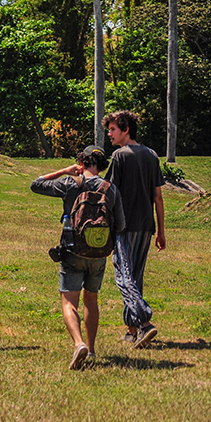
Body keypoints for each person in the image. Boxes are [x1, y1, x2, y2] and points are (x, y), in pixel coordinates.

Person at [30, 146, 126, 369]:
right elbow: (121, 224)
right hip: (99, 253)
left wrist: (65, 171)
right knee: (91, 300)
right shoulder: (110, 189)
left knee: (69, 301)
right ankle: (91, 350)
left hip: (72, 250)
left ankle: (79, 343)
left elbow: (36, 184)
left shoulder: (70, 183)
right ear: (101, 165)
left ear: (81, 163)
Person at [104, 110, 166, 349]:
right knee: (135, 277)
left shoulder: (119, 156)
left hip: (124, 226)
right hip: (146, 226)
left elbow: (110, 193)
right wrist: (161, 231)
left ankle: (145, 321)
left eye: (113, 129)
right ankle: (133, 331)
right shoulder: (151, 155)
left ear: (125, 129)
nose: (110, 134)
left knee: (123, 275)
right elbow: (158, 197)